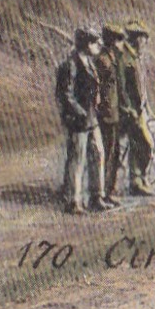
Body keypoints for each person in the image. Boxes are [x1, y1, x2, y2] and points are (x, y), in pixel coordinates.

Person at [54, 28, 108, 214]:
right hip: (78, 120)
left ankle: (97, 197)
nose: (98, 45)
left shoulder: (90, 63)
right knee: (77, 160)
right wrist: (80, 112)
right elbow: (65, 95)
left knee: (98, 154)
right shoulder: (70, 65)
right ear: (86, 44)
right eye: (95, 42)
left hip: (91, 118)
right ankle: (74, 202)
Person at [119, 20, 155, 196]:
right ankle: (137, 180)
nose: (144, 42)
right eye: (143, 38)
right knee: (146, 144)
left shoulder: (134, 57)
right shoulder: (125, 58)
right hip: (129, 112)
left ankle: (139, 179)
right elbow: (122, 88)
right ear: (135, 38)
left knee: (139, 144)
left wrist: (145, 106)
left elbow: (140, 88)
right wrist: (130, 110)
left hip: (137, 110)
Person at [94, 24, 125, 208]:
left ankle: (109, 191)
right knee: (106, 153)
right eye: (120, 39)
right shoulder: (103, 61)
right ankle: (103, 193)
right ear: (112, 41)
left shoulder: (112, 58)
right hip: (106, 113)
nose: (122, 44)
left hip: (114, 112)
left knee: (114, 153)